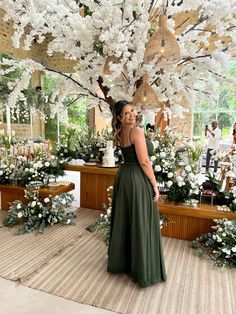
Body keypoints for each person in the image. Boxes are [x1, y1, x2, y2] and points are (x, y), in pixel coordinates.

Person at [107, 100, 166, 287]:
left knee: (126, 219)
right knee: (140, 219)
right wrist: (155, 184)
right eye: (126, 113)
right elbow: (144, 162)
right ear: (119, 117)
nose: (131, 115)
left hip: (124, 176)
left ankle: (125, 262)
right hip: (136, 178)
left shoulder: (122, 131)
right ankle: (142, 267)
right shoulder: (136, 131)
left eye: (132, 111)